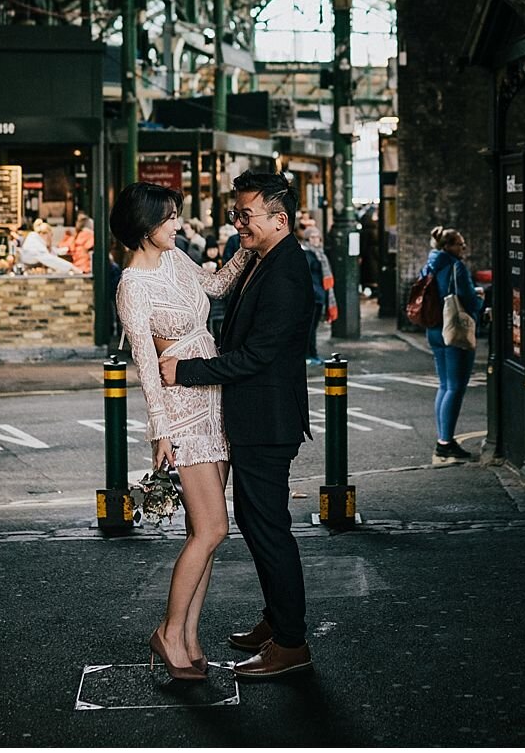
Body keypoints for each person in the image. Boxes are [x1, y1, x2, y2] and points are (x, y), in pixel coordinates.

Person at [160, 171, 315, 679]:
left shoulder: (289, 273)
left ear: (279, 219)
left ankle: (291, 643)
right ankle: (277, 621)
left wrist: (186, 371)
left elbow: (256, 356)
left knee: (268, 528)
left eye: (246, 215)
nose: (238, 223)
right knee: (256, 522)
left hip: (267, 421)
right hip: (255, 417)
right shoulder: (265, 258)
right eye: (236, 214)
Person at [112, 182, 253, 682]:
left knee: (205, 534)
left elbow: (214, 287)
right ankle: (169, 633)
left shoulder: (176, 259)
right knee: (214, 527)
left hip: (213, 399)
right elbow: (146, 366)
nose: (178, 224)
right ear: (145, 226)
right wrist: (160, 431)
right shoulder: (132, 286)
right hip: (182, 412)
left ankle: (191, 638)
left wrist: (247, 244)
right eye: (170, 218)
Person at [422, 226, 484, 464]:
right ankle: (446, 443)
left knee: (445, 384)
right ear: (447, 246)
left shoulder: (431, 263)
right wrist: (479, 301)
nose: (463, 247)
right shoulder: (455, 266)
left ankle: (444, 440)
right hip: (454, 329)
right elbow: (467, 298)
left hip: (435, 328)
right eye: (459, 243)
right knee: (456, 386)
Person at [299, 226, 336, 365]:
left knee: (313, 327)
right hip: (312, 296)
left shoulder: (320, 254)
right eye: (312, 237)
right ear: (307, 239)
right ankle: (309, 355)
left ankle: (312, 354)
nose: (315, 240)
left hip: (320, 295)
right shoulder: (306, 254)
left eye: (317, 237)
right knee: (309, 328)